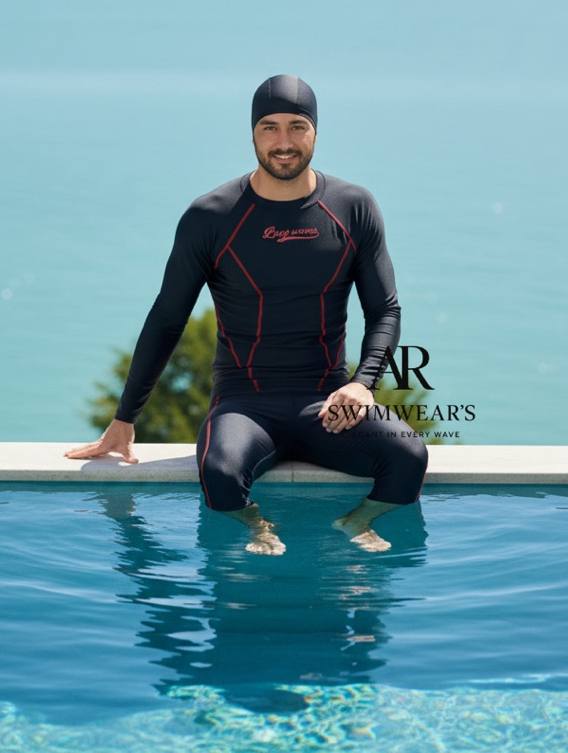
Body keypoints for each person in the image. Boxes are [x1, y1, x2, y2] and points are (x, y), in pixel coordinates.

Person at [66, 75, 428, 554]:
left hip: (327, 401)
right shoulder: (211, 216)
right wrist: (124, 419)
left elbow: (384, 309)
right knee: (219, 472)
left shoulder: (352, 207)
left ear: (316, 132)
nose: (283, 142)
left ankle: (357, 521)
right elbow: (167, 318)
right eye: (269, 127)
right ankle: (258, 528)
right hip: (243, 402)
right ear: (253, 133)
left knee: (409, 455)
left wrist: (362, 385)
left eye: (297, 127)